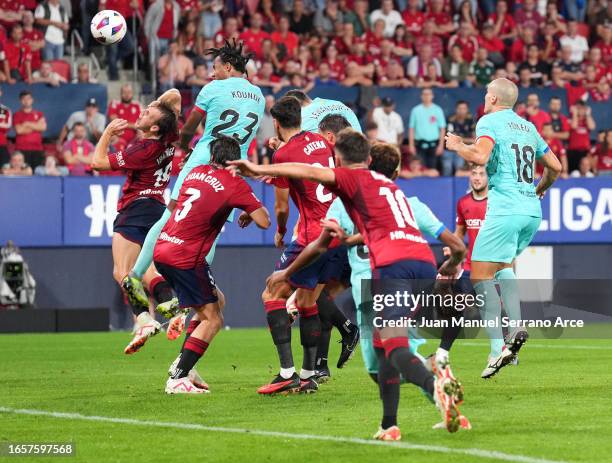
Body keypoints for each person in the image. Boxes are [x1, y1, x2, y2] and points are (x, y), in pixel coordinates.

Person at [229, 128, 467, 436]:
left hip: (388, 270)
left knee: (392, 350)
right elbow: (456, 246)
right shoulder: (394, 189)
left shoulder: (352, 180)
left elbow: (306, 173)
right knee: (383, 354)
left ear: (338, 160)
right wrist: (450, 265)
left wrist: (258, 168)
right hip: (421, 266)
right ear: (368, 158)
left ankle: (435, 384)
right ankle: (389, 425)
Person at [122, 40, 265, 318]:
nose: (212, 74)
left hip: (202, 159)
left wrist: (185, 147)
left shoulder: (212, 89)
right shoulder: (259, 96)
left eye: (215, 68)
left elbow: (188, 126)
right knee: (210, 233)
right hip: (233, 168)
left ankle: (136, 276)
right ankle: (192, 293)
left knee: (170, 217)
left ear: (227, 67)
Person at [445, 78, 562, 379]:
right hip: (531, 212)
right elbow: (556, 167)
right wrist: (537, 190)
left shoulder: (490, 121)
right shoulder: (528, 127)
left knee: (480, 274)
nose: (484, 99)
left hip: (505, 209)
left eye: (486, 94)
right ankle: (517, 327)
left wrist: (458, 145)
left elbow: (480, 156)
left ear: (494, 99)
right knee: (503, 265)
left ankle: (499, 348)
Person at [160, 136, 271, 394]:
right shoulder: (234, 182)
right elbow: (264, 221)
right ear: (235, 160)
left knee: (216, 301)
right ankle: (178, 376)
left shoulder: (195, 172)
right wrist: (249, 210)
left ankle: (184, 362)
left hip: (164, 248)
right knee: (214, 319)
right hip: (187, 257)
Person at [254, 96, 348, 395]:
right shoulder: (322, 142)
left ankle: (286, 373)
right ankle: (308, 375)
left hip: (311, 236)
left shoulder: (283, 157)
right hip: (337, 231)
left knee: (271, 292)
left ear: (277, 124)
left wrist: (281, 231)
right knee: (307, 302)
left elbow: (281, 207)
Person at [91, 89, 181, 355]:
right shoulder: (170, 137)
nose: (143, 109)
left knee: (122, 272)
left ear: (154, 127)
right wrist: (158, 106)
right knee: (149, 272)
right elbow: (175, 94)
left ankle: (144, 320)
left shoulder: (143, 149)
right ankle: (173, 307)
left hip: (136, 209)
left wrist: (107, 133)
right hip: (157, 209)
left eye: (148, 111)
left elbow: (97, 163)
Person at [408, 88, 446, 172]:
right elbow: (411, 128)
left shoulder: (437, 110)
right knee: (419, 169)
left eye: (428, 94)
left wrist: (441, 145)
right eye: (424, 94)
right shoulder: (415, 110)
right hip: (419, 145)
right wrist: (411, 145)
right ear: (421, 96)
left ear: (432, 96)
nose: (426, 96)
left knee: (432, 169)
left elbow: (442, 129)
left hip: (433, 145)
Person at [13, 90, 46, 168]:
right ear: (20, 101)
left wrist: (27, 123)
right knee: (23, 174)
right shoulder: (17, 115)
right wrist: (36, 126)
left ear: (32, 100)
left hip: (37, 149)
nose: (26, 101)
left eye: (28, 98)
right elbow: (19, 130)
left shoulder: (39, 114)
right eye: (24, 99)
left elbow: (43, 127)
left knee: (38, 174)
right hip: (22, 149)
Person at [443, 101, 474, 176]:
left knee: (459, 168)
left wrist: (461, 139)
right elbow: (452, 138)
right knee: (447, 167)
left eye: (464, 108)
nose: (462, 111)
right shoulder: (451, 119)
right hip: (448, 149)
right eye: (460, 108)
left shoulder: (471, 120)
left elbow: (474, 138)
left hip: (461, 149)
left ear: (467, 110)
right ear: (456, 109)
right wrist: (466, 139)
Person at [567, 101, 596, 172]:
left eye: (582, 108)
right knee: (573, 172)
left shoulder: (587, 120)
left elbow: (592, 127)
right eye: (578, 108)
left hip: (585, 152)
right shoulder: (570, 119)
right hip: (573, 152)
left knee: (587, 173)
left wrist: (588, 114)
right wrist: (575, 114)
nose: (580, 110)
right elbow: (574, 126)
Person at [0, 87, 11, 166]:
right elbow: (3, 126)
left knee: (4, 169)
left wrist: (3, 126)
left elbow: (7, 127)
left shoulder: (5, 110)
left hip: (1, 145)